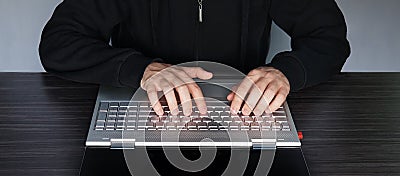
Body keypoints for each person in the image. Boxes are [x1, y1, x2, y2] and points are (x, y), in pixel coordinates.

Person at [39, 0, 350, 116]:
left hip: (242, 111)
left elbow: (329, 38)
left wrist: (287, 72)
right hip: (144, 106)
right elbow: (58, 42)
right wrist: (142, 69)